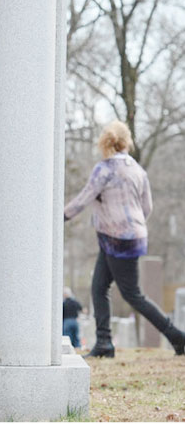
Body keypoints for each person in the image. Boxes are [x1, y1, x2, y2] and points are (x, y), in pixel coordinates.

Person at [64, 120, 184, 358]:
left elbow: (82, 200)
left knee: (133, 295)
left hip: (115, 238)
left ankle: (178, 337)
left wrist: (58, 216)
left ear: (106, 142)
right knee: (99, 287)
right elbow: (147, 207)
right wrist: (134, 226)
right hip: (128, 238)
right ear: (126, 141)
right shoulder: (137, 170)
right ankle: (105, 344)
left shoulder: (104, 169)